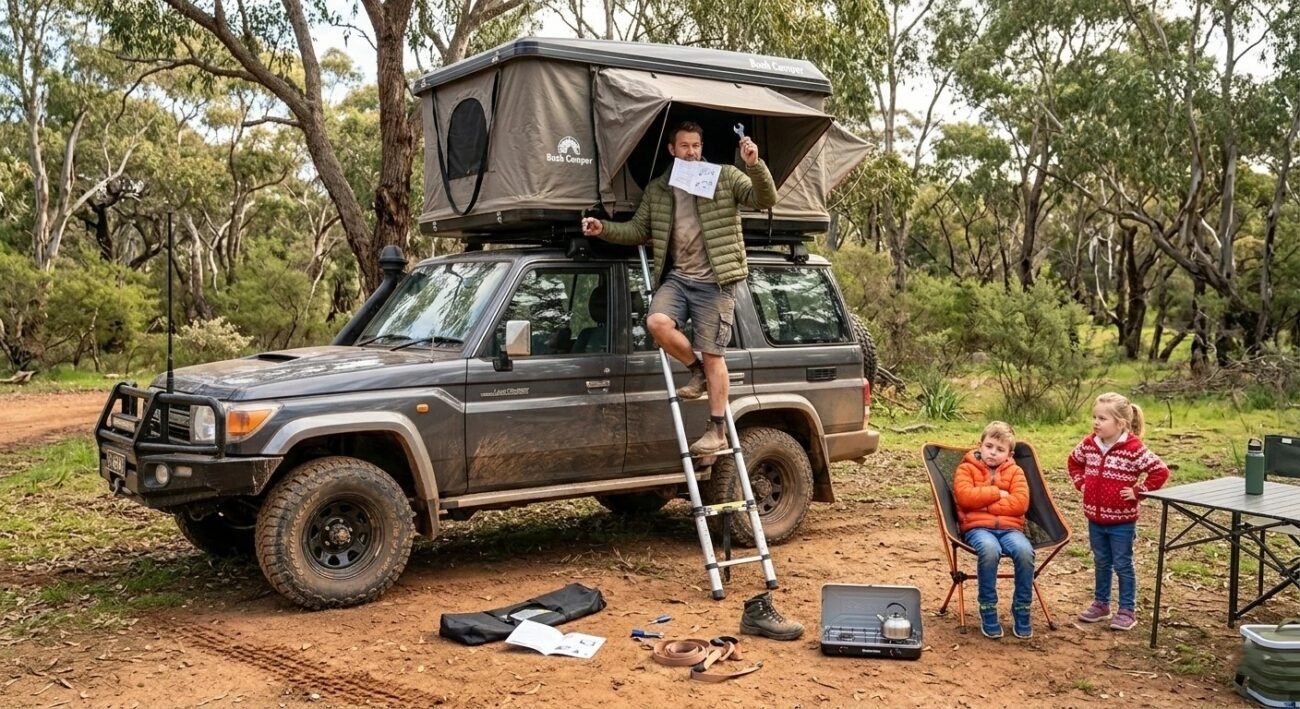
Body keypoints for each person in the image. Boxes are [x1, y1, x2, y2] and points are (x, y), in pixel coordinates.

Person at [582, 121, 778, 456]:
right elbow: (637, 231)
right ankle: (695, 370)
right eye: (685, 146)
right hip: (679, 277)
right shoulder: (659, 188)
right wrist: (602, 229)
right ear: (672, 150)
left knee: (715, 354)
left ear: (703, 148)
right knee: (657, 322)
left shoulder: (724, 176)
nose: (691, 152)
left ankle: (717, 431)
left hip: (716, 281)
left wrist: (753, 164)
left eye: (696, 146)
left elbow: (764, 198)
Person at [1068, 392, 1170, 631]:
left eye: (1102, 419)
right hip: (1094, 518)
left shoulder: (1133, 448)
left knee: (1122, 563)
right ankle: (1101, 604)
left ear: (1120, 424)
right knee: (1101, 561)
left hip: (1122, 521)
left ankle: (1126, 609)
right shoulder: (1089, 443)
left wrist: (1139, 491)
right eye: (1094, 417)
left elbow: (1160, 471)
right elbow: (1073, 461)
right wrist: (1080, 482)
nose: (1096, 423)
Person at [953, 421, 1035, 639]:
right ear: (980, 445)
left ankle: (1022, 608)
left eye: (1000, 450)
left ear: (1009, 453)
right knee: (989, 551)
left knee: (1025, 553)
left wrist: (982, 501)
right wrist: (998, 493)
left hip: (1011, 529)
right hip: (978, 528)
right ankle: (988, 607)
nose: (993, 453)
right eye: (989, 446)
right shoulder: (966, 468)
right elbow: (964, 497)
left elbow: (1020, 503)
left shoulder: (1016, 471)